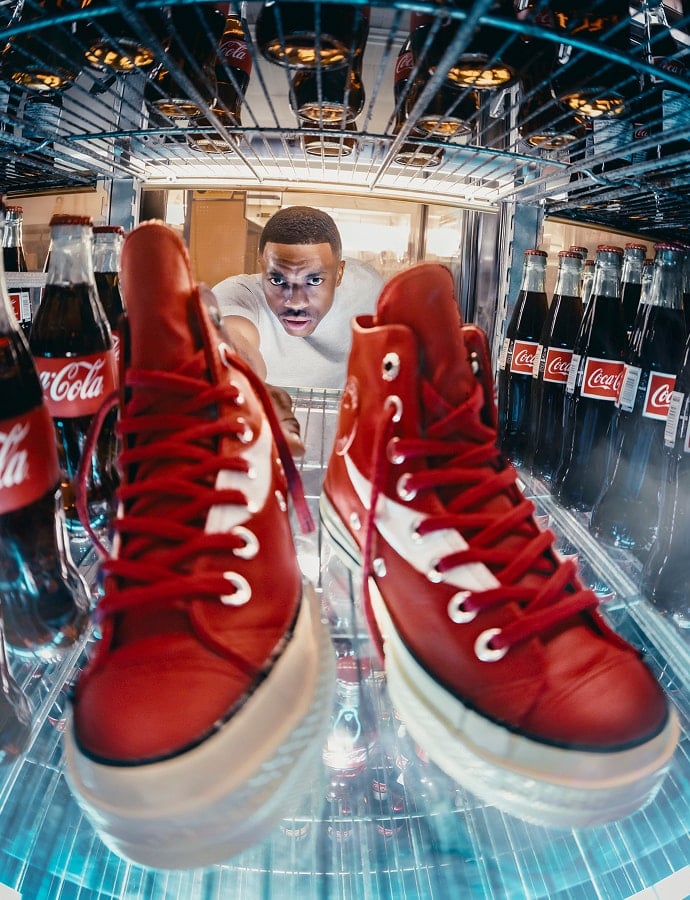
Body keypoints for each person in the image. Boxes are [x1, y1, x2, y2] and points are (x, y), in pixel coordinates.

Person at [214, 205, 384, 390]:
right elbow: (232, 340)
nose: (296, 303)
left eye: (314, 280)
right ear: (262, 267)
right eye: (278, 280)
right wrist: (241, 382)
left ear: (339, 274)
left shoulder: (367, 287)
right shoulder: (239, 293)